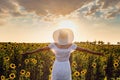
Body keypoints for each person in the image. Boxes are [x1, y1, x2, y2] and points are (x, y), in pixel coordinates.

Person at [22, 28, 104, 80]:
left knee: (56, 77)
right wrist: (97, 53)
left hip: (57, 64)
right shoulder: (71, 45)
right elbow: (85, 50)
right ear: (67, 37)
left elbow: (40, 49)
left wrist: (29, 52)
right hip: (65, 65)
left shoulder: (54, 44)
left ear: (59, 37)